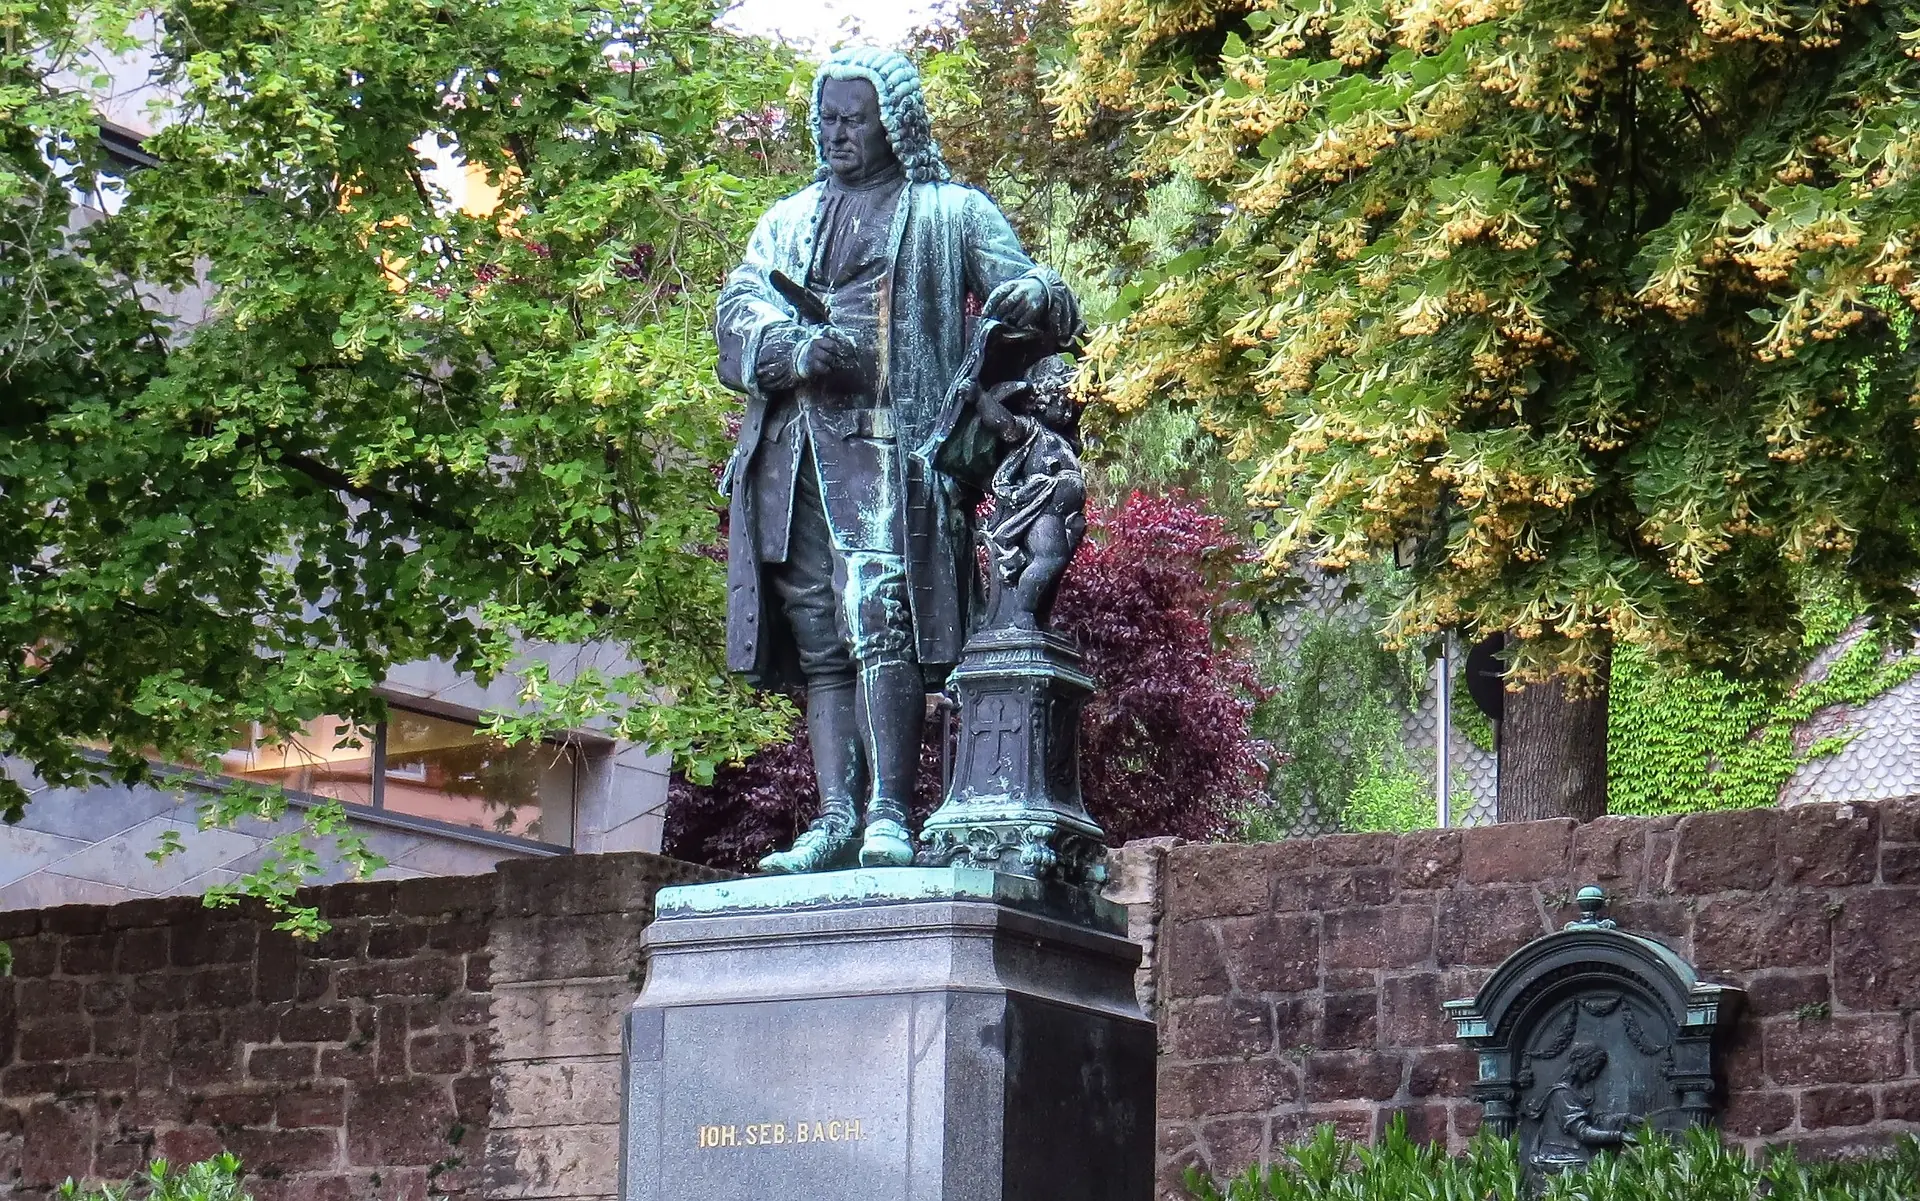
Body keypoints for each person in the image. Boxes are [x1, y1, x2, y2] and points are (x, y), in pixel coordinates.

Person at [715, 47, 1080, 874]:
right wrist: (793, 349)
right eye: (827, 117)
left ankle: (888, 811)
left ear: (895, 122)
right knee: (818, 634)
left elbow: (1042, 297)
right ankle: (836, 814)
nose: (836, 132)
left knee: (879, 617)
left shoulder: (950, 211)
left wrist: (1035, 298)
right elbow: (736, 309)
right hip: (794, 457)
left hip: (892, 452)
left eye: (854, 117)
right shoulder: (787, 218)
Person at [1526, 1043, 1636, 1175]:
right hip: (1557, 1157)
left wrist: (1626, 1119)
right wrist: (1619, 1136)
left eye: (1598, 1070)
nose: (1594, 1073)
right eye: (1593, 1068)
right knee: (1603, 1176)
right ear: (1581, 1064)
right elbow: (1583, 1132)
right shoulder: (1561, 1095)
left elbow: (1595, 1121)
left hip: (1572, 1154)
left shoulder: (1576, 1094)